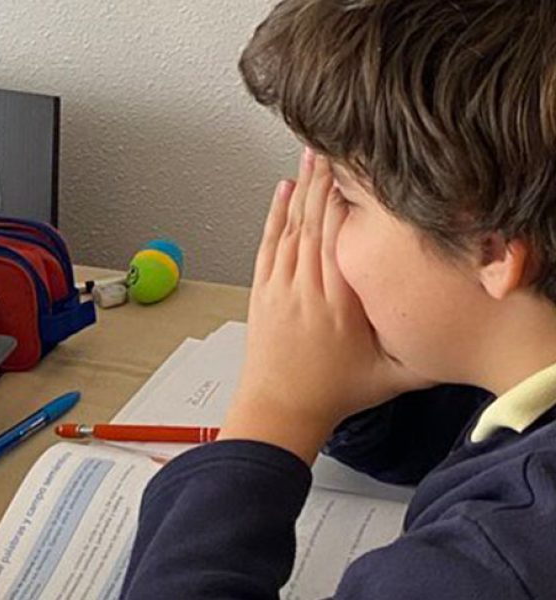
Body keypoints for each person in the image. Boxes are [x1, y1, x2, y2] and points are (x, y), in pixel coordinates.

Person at [123, 2, 556, 599]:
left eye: (347, 200)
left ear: (494, 251)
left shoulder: (501, 561)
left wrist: (274, 414)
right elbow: (458, 441)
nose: (319, 229)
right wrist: (342, 387)